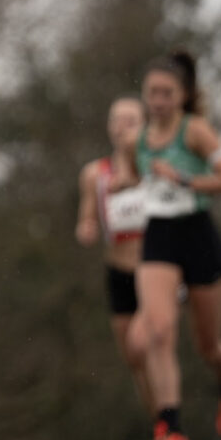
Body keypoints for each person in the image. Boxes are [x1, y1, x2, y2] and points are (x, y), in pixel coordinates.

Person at [117, 49, 221, 440]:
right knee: (157, 330)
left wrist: (185, 178)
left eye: (167, 93)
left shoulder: (195, 132)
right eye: (152, 92)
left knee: (208, 344)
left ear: (182, 95)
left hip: (198, 235)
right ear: (144, 94)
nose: (158, 100)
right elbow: (135, 179)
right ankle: (169, 428)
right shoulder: (134, 141)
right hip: (158, 237)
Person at [75, 96, 152, 417]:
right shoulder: (95, 174)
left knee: (149, 343)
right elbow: (87, 218)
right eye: (116, 120)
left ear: (144, 125)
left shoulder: (156, 166)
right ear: (108, 127)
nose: (123, 127)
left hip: (155, 268)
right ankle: (161, 423)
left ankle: (169, 420)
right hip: (117, 269)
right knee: (133, 357)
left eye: (130, 120)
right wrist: (87, 229)